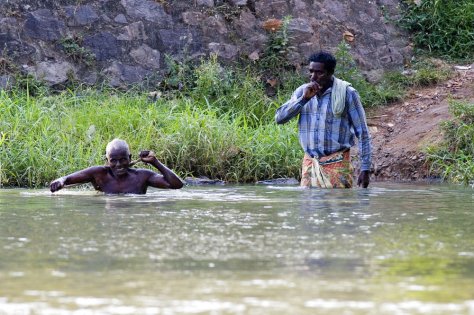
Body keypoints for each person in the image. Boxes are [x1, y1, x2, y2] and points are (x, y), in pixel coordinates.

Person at [275, 51, 371, 188]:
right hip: (310, 163)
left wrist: (365, 169)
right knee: (308, 208)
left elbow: (362, 133)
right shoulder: (302, 92)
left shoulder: (347, 94)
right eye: (311, 71)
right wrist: (303, 100)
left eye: (319, 73)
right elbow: (279, 118)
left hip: (337, 163)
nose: (313, 77)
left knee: (339, 207)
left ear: (330, 73)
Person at [50, 138, 183, 194]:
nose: (119, 165)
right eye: (113, 160)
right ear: (107, 160)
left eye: (123, 159)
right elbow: (67, 179)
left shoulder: (142, 176)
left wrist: (155, 162)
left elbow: (176, 185)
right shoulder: (99, 174)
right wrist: (60, 181)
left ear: (130, 158)